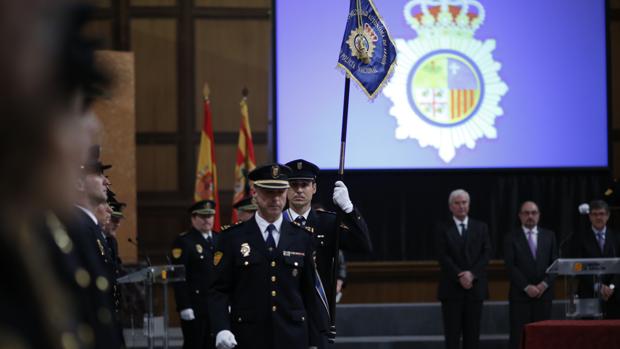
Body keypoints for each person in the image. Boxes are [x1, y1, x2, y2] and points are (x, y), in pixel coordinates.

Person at [208, 163, 321, 349]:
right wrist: (221, 328)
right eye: (268, 192)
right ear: (255, 193)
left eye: (280, 192)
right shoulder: (232, 238)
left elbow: (309, 293)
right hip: (248, 336)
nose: (275, 199)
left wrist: (315, 341)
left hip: (292, 336)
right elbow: (218, 290)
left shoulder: (302, 237)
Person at [283, 159, 372, 345]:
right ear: (285, 189)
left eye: (305, 184)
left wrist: (348, 208)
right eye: (294, 184)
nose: (299, 190)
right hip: (283, 316)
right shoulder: (277, 225)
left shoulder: (328, 223)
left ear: (314, 188)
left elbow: (363, 245)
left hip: (317, 317)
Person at [435, 189, 491, 349]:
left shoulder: (481, 227)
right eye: (457, 203)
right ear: (450, 207)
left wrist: (471, 274)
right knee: (452, 337)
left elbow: (486, 254)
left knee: (472, 336)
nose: (461, 206)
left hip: (475, 289)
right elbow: (442, 256)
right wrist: (460, 275)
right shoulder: (441, 228)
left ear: (469, 205)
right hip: (452, 289)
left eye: (464, 202)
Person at [504, 201, 557, 349]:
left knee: (543, 337)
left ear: (539, 215)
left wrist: (543, 284)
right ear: (520, 216)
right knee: (518, 337)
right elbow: (510, 266)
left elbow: (555, 265)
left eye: (534, 213)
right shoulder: (510, 237)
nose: (530, 216)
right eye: (526, 213)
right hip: (520, 297)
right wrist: (527, 287)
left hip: (543, 296)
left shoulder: (549, 236)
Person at [171, 200, 219, 349]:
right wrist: (184, 305)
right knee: (195, 344)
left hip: (216, 304)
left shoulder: (220, 239)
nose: (207, 220)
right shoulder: (184, 241)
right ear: (193, 218)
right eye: (203, 216)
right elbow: (179, 277)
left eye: (210, 216)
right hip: (195, 305)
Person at [572, 199, 620, 319]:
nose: (598, 217)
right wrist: (598, 286)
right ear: (589, 217)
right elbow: (577, 266)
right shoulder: (579, 238)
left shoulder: (616, 238)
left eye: (602, 214)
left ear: (608, 216)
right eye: (595, 214)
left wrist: (612, 286)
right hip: (588, 293)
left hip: (614, 295)